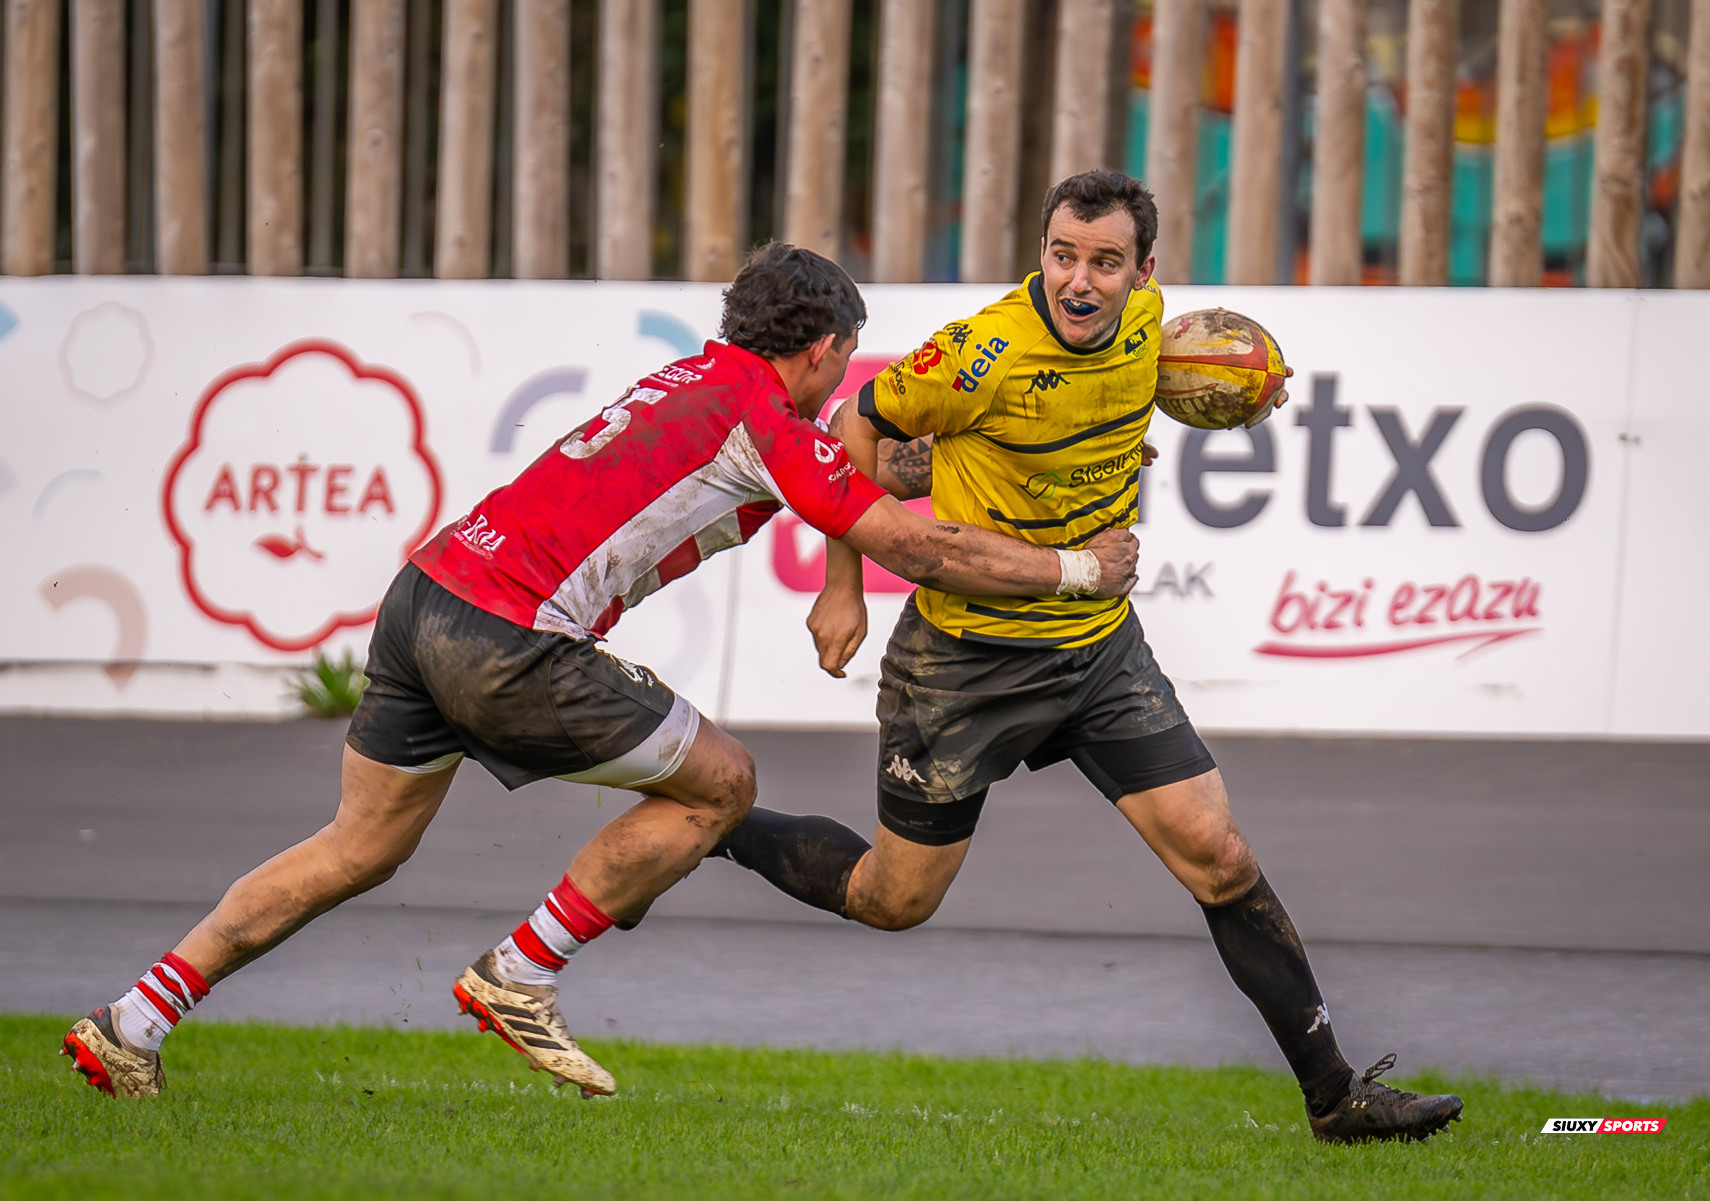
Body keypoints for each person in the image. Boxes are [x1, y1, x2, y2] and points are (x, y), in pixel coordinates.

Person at [61, 242, 1141, 1101]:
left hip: (426, 595)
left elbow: (879, 462)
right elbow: (917, 543)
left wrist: (1065, 431)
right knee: (722, 782)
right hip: (509, 638)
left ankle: (134, 1019)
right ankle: (523, 969)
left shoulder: (700, 382)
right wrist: (1077, 565)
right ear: (821, 349)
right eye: (840, 362)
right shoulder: (769, 421)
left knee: (358, 847)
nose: (836, 387)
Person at [706, 172, 1464, 1144]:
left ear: (1143, 271)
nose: (1079, 279)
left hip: (1098, 649)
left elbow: (1146, 392)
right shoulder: (977, 354)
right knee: (894, 900)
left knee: (1219, 855)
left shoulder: (1153, 327)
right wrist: (841, 585)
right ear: (1043, 252)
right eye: (1063, 254)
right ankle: (719, 822)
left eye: (1105, 262)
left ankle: (1336, 1095)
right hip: (963, 662)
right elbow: (856, 428)